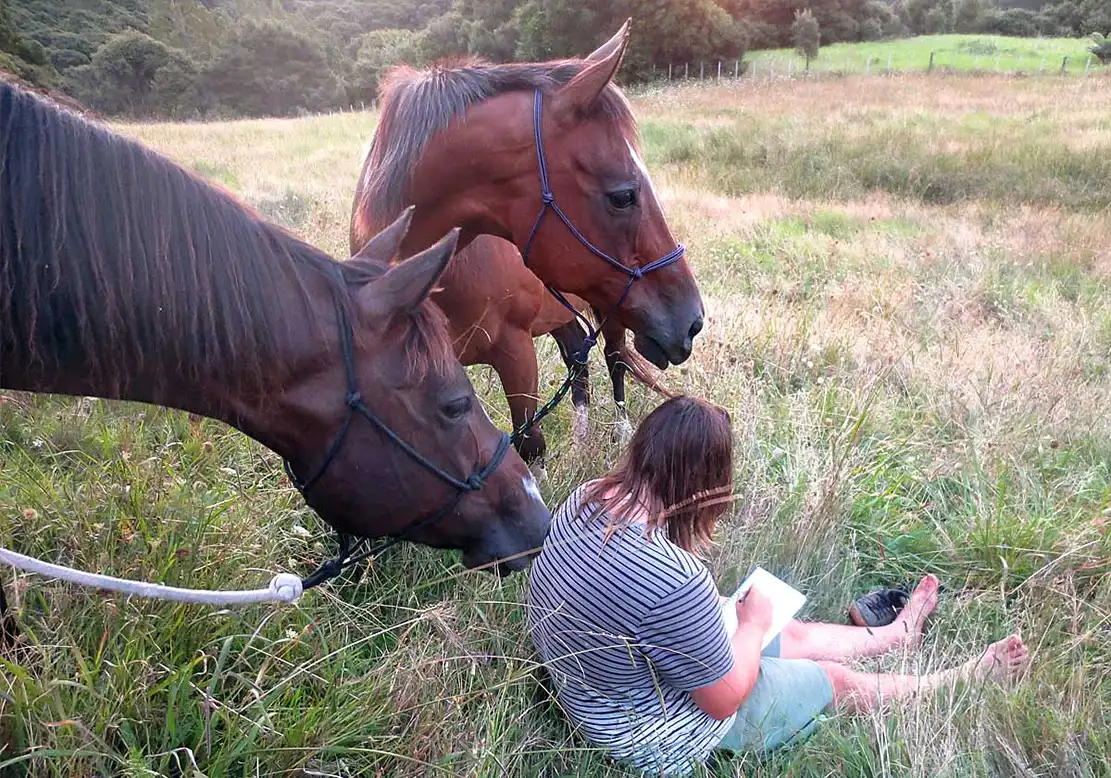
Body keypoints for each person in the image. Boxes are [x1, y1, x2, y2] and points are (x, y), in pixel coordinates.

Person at [527, 395, 1027, 776]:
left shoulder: (587, 497)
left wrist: (750, 628)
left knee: (799, 634)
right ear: (707, 484)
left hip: (596, 689)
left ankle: (895, 638)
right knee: (831, 678)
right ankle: (961, 680)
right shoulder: (675, 578)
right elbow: (724, 699)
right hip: (646, 735)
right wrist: (753, 625)